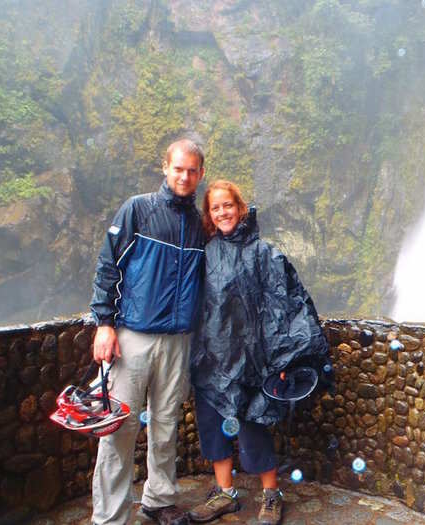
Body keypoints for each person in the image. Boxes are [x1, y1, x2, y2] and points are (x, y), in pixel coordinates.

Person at [188, 180, 330, 525]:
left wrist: (285, 359)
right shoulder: (205, 254)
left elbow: (286, 306)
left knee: (254, 424)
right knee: (213, 425)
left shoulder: (264, 253)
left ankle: (271, 495)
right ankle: (224, 493)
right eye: (215, 208)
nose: (222, 212)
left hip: (254, 359)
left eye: (227, 205)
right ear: (209, 215)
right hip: (213, 358)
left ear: (240, 207)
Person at [89, 139, 206, 525]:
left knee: (165, 425)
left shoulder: (198, 224)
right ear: (165, 167)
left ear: (200, 174)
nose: (184, 176)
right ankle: (110, 517)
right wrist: (105, 324)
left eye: (192, 170)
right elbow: (108, 267)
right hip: (132, 337)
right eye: (178, 168)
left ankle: (159, 499)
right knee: (118, 428)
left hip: (178, 340)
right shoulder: (138, 209)